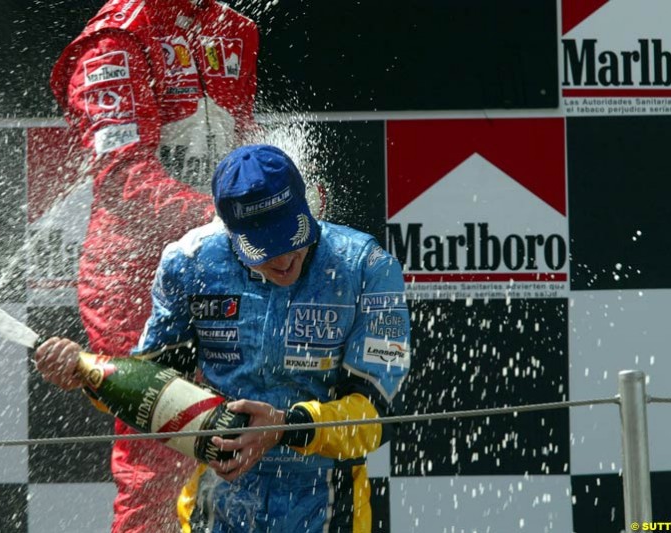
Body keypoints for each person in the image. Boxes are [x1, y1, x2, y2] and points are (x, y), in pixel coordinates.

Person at [36, 145, 411, 532]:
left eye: (292, 235)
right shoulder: (190, 263)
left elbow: (375, 420)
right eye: (262, 248)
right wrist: (86, 371)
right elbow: (149, 389)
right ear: (229, 230)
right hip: (218, 503)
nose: (283, 260)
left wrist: (283, 426)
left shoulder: (367, 267)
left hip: (327, 506)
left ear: (308, 206)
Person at [49, 0, 259, 530]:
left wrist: (279, 197)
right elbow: (123, 181)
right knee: (159, 460)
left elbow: (242, 149)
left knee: (256, 428)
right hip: (135, 285)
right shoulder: (115, 37)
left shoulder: (233, 26)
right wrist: (238, 217)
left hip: (224, 264)